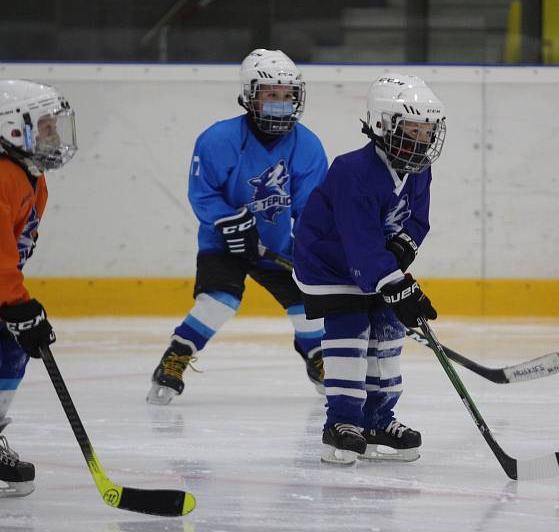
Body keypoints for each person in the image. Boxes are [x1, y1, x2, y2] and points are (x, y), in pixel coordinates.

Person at [146, 49, 328, 405]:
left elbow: (310, 209)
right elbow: (202, 193)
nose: (280, 101)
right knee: (219, 301)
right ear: (250, 96)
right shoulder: (219, 139)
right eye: (270, 94)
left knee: (309, 303)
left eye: (286, 94)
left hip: (275, 245)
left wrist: (312, 252)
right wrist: (232, 223)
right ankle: (177, 355)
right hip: (223, 242)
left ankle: (316, 356)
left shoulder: (307, 145)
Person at [292, 74, 445, 464]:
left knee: (389, 335)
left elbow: (417, 222)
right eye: (413, 127)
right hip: (329, 265)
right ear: (383, 125)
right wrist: (396, 284)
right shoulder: (352, 171)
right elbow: (358, 241)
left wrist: (399, 256)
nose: (423, 137)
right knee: (352, 333)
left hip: (372, 265)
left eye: (428, 129)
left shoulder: (418, 168)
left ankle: (378, 420)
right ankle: (341, 423)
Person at [0, 79, 78, 495]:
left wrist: (14, 305)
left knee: (11, 342)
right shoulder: (2, 177)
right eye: (45, 127)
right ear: (13, 128)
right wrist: (14, 302)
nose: (53, 136)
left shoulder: (30, 177)